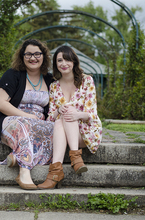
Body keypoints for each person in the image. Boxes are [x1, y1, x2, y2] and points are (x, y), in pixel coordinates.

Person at [0, 39, 54, 190]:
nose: (33, 58)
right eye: (28, 54)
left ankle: (17, 157)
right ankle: (24, 171)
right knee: (22, 124)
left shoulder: (49, 79)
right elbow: (1, 103)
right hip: (11, 120)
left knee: (56, 129)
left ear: (44, 56)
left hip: (38, 124)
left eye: (37, 54)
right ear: (22, 57)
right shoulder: (12, 75)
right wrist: (26, 116)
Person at [37, 45, 102, 189]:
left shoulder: (87, 81)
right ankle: (70, 162)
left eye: (67, 59)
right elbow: (50, 119)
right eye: (59, 60)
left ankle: (62, 166)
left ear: (74, 62)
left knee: (69, 111)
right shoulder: (54, 87)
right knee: (61, 117)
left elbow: (91, 114)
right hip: (62, 130)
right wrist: (58, 109)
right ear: (56, 64)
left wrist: (76, 114)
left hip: (86, 132)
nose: (64, 64)